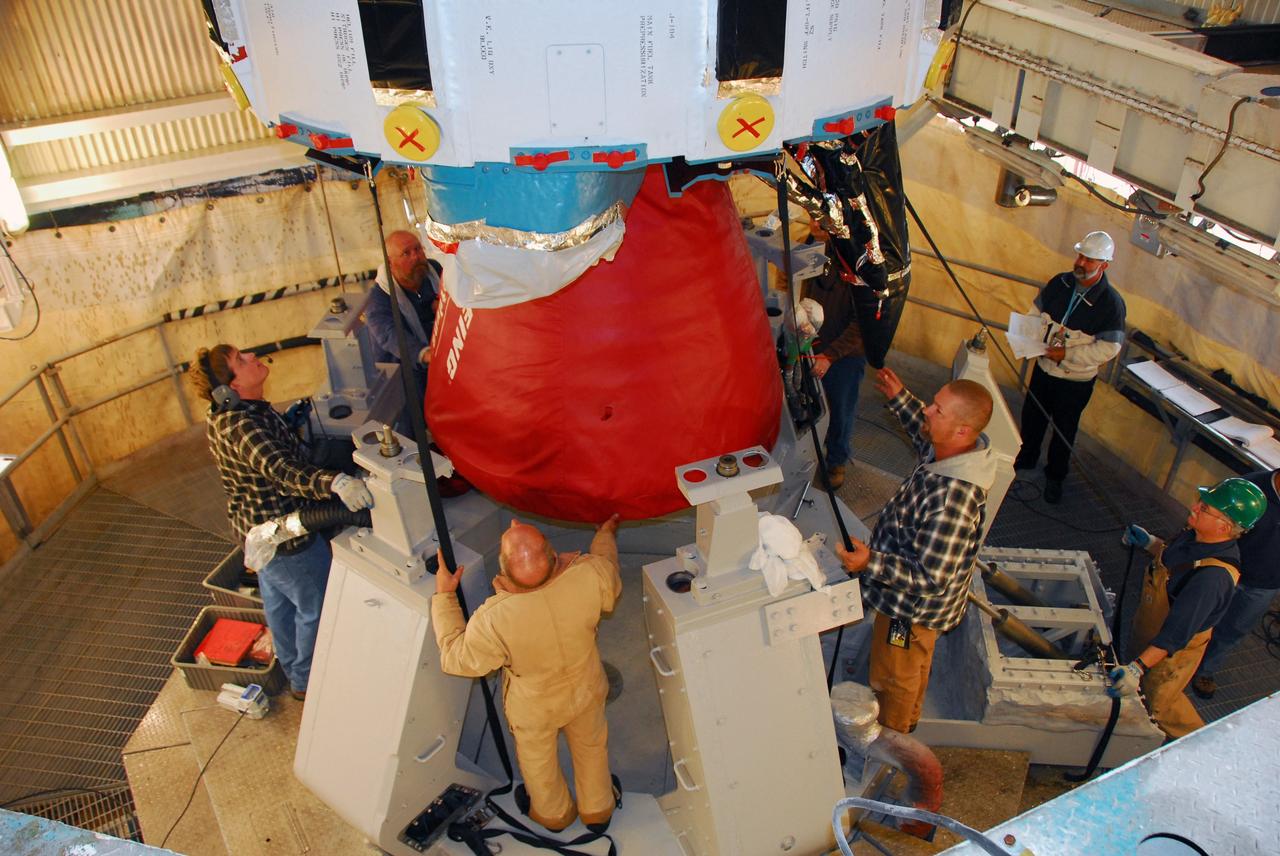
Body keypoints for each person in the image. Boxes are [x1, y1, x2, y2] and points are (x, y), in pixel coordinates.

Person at [191, 344, 374, 700]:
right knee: (315, 604)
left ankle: (291, 665)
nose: (252, 358)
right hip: (284, 537)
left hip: (258, 534)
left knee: (280, 604)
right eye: (240, 362)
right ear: (229, 388)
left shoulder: (241, 411)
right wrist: (335, 483)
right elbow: (282, 471)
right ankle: (306, 681)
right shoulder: (241, 424)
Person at [432, 516, 624, 833]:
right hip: (587, 689)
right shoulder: (590, 575)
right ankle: (598, 811)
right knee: (592, 748)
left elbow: (457, 659)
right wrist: (604, 534)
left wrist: (445, 597)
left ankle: (555, 816)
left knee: (538, 763)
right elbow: (609, 572)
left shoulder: (493, 618)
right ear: (552, 554)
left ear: (504, 570)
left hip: (535, 708)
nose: (513, 520)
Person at [834, 367, 996, 733]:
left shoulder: (952, 499)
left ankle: (893, 738)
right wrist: (900, 398)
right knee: (910, 666)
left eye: (937, 410)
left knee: (895, 676)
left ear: (961, 431)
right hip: (909, 604)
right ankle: (908, 717)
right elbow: (922, 435)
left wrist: (870, 562)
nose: (927, 411)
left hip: (909, 612)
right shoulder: (951, 452)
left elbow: (930, 577)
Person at [1110, 477, 1267, 739]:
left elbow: (1176, 634)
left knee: (1160, 706)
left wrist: (1136, 669)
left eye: (1205, 508)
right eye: (1201, 502)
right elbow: (1176, 562)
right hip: (1150, 635)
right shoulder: (1195, 535)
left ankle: (1201, 746)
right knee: (1144, 696)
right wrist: (1150, 543)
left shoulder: (1212, 579)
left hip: (1169, 657)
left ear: (1225, 526)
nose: (1194, 507)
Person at [1013, 230, 1127, 504]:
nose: (1081, 263)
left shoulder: (1111, 304)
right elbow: (1034, 314)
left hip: (1075, 382)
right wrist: (1027, 340)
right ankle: (1026, 459)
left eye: (1089, 260)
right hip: (1044, 368)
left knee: (1064, 430)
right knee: (1032, 417)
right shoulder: (1059, 283)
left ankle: (1055, 477)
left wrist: (1066, 355)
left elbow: (1109, 348)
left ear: (1104, 265)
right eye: (1080, 256)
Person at [1192, 468, 1280, 699]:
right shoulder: (1249, 490)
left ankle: (1206, 670)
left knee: (1234, 630)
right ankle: (1171, 662)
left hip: (1265, 584)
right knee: (1195, 619)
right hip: (1225, 573)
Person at [804, 226, 867, 490]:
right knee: (809, 403)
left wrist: (830, 355)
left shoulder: (864, 266)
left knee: (839, 409)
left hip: (843, 357)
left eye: (821, 222)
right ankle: (810, 452)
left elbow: (862, 323)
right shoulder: (809, 249)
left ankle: (836, 461)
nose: (815, 225)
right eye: (812, 219)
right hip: (812, 344)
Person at [365, 229, 442, 367]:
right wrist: (424, 354)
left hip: (443, 353)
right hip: (404, 371)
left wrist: (445, 304)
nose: (416, 257)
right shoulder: (377, 300)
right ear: (390, 263)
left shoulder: (435, 270)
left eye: (418, 249)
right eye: (406, 253)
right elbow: (390, 335)